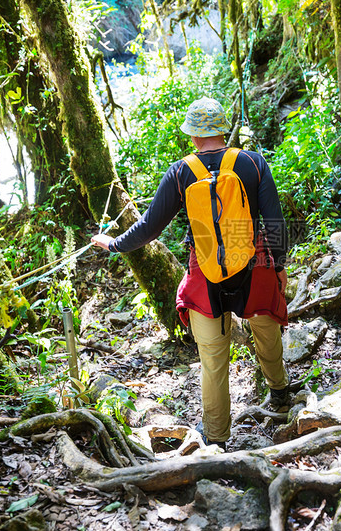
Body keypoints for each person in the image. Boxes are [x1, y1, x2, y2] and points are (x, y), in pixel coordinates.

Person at [91, 97, 290, 448]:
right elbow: (274, 222)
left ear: (194, 137)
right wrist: (280, 267)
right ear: (222, 130)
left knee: (213, 359)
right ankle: (280, 393)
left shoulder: (181, 172)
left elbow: (150, 226)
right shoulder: (253, 163)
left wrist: (114, 244)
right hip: (255, 263)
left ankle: (216, 437)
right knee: (266, 330)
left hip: (204, 271)